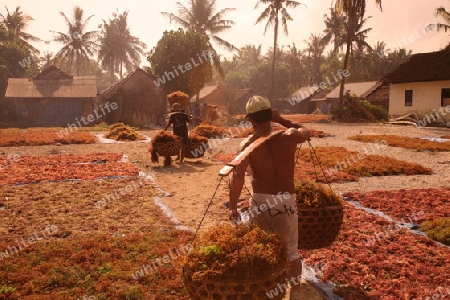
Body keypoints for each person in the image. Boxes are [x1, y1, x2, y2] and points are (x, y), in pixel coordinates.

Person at [228, 95, 310, 300]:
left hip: (261, 202)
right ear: (270, 115)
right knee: (292, 252)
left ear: (251, 119)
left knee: (262, 248)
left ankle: (268, 290)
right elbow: (306, 131)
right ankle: (296, 292)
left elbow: (237, 178)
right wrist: (282, 119)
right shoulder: (289, 136)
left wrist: (233, 208)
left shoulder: (247, 144)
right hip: (286, 201)